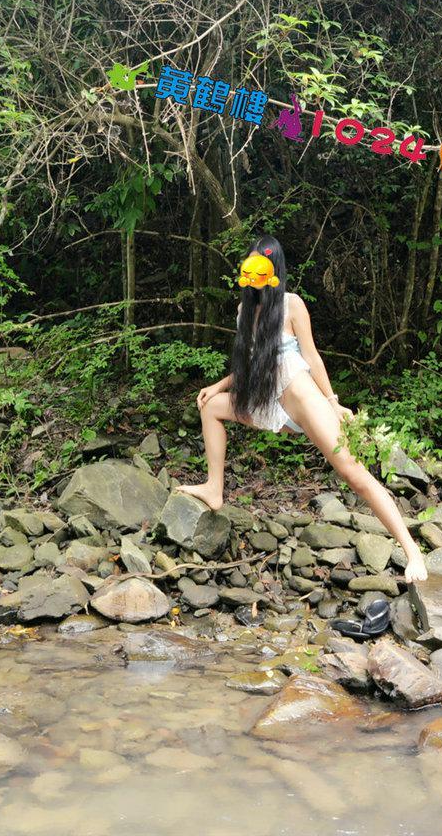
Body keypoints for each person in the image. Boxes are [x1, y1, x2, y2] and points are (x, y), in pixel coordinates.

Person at [175, 236, 429, 583]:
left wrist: (333, 402)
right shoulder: (243, 311)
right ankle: (214, 488)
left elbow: (311, 357)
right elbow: (253, 365)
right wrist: (219, 385)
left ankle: (412, 550)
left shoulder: (291, 304)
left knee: (353, 473)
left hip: (303, 399)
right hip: (268, 404)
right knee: (211, 407)